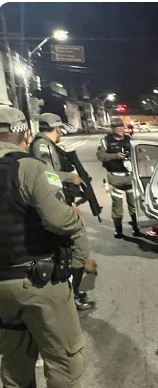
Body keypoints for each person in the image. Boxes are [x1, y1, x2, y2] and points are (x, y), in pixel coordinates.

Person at [0, 106, 113, 388]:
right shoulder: (30, 168)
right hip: (37, 282)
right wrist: (74, 218)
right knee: (63, 352)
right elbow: (60, 221)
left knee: (15, 352)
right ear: (23, 133)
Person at [30, 113, 95, 311]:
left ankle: (71, 293)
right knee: (78, 252)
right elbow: (47, 175)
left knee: (69, 251)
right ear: (57, 128)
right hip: (54, 205)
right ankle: (72, 296)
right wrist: (69, 177)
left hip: (59, 202)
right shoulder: (43, 146)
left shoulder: (45, 145)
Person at [96, 116, 140, 238]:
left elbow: (138, 153)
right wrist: (115, 156)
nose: (121, 129)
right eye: (117, 127)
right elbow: (100, 155)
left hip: (130, 177)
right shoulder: (106, 141)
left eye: (122, 126)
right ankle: (118, 230)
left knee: (134, 205)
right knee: (117, 207)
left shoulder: (129, 139)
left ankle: (136, 228)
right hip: (115, 178)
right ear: (112, 128)